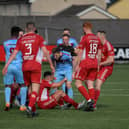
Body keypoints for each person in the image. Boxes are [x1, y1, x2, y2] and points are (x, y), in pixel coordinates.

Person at [2, 22, 55, 117]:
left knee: (29, 88)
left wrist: (6, 66)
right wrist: (51, 65)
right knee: (35, 89)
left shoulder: (21, 39)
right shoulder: (38, 38)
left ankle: (33, 110)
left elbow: (13, 54)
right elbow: (45, 52)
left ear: (26, 29)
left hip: (25, 67)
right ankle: (30, 107)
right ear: (34, 29)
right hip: (35, 66)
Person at [74, 22, 102, 111]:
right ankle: (93, 105)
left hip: (85, 63)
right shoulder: (97, 39)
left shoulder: (85, 38)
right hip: (94, 63)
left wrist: (77, 65)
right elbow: (99, 54)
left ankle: (89, 101)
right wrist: (98, 65)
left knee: (77, 83)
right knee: (90, 84)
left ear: (84, 28)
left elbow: (80, 52)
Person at [3, 26, 27, 111]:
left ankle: (7, 102)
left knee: (7, 85)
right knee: (23, 84)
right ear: (18, 33)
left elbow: (7, 53)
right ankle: (22, 105)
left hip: (9, 66)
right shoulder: (21, 42)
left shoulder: (5, 43)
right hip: (18, 66)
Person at [52, 34, 76, 99]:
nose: (64, 41)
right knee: (54, 86)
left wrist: (74, 72)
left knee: (68, 84)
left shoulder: (71, 49)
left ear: (68, 40)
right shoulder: (58, 48)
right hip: (59, 69)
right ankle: (53, 100)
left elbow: (74, 60)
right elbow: (54, 58)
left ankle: (70, 101)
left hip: (68, 68)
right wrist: (54, 67)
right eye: (63, 39)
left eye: (66, 39)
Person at [94, 30, 114, 108]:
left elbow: (110, 60)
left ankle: (93, 104)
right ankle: (90, 99)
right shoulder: (98, 45)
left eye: (97, 36)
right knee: (89, 82)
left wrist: (100, 64)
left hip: (107, 68)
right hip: (99, 66)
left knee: (98, 83)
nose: (96, 38)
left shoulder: (108, 45)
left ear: (102, 36)